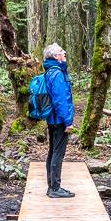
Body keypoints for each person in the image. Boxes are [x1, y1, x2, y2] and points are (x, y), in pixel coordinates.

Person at [41, 43, 75, 198]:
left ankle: (52, 186)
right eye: (62, 51)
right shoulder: (57, 74)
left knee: (53, 151)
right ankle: (55, 188)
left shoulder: (50, 71)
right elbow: (61, 100)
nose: (65, 53)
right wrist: (68, 121)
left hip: (52, 118)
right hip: (59, 120)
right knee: (57, 153)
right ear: (56, 56)